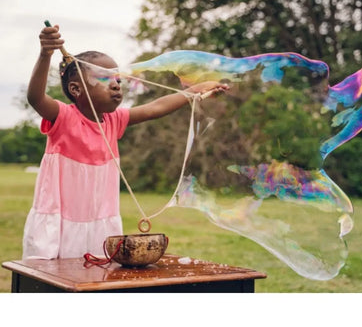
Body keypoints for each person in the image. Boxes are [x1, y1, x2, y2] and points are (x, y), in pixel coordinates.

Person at [22, 24, 229, 259]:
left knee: (98, 279)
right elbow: (35, 97)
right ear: (75, 89)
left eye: (117, 79)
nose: (115, 84)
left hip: (101, 223)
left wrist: (197, 90)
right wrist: (45, 54)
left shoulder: (113, 120)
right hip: (61, 223)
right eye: (104, 78)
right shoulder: (65, 117)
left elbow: (155, 108)